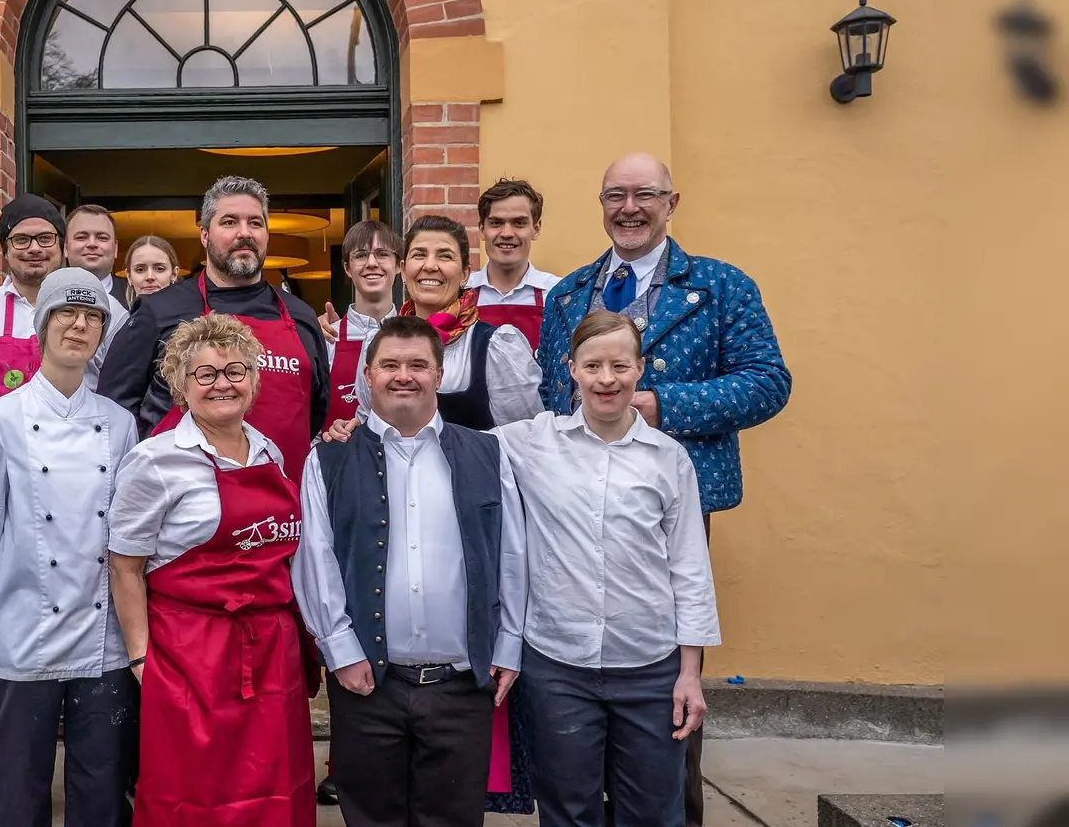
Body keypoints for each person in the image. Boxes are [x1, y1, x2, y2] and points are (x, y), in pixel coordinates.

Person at [536, 153, 790, 826]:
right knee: (573, 744)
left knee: (669, 700)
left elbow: (768, 382)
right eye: (615, 195)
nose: (629, 207)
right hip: (574, 500)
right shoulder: (567, 295)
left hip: (676, 498)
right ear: (600, 204)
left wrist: (659, 405)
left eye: (644, 194)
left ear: (671, 202)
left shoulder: (718, 286)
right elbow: (547, 397)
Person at [292, 316, 526, 827]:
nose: (405, 376)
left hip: (463, 684)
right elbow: (316, 557)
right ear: (368, 375)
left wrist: (507, 646)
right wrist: (341, 651)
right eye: (391, 365)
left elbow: (510, 553)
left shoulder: (488, 452)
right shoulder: (329, 457)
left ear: (439, 375)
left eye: (418, 364)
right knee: (372, 818)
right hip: (368, 681)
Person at [500, 310, 721, 827]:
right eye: (592, 365)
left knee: (652, 811)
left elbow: (690, 569)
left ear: (640, 369)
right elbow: (445, 441)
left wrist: (690, 673)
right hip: (558, 666)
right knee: (567, 809)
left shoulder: (669, 459)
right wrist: (355, 426)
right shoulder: (532, 442)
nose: (606, 379)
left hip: (649, 667)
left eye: (620, 365)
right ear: (570, 369)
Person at [106, 313, 319, 827]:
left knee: (277, 789)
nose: (222, 384)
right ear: (181, 384)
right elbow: (124, 567)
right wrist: (141, 658)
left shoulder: (269, 451)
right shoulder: (154, 461)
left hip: (272, 651)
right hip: (190, 655)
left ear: (253, 380)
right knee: (193, 793)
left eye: (235, 371)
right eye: (205, 374)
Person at [0, 268, 139, 827]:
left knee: (101, 802)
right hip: (19, 640)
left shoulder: (121, 424)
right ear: (42, 324)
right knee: (17, 801)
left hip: (102, 646)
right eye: (65, 314)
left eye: (92, 317)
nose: (78, 326)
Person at [98, 175, 330, 482]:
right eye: (230, 222)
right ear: (205, 235)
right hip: (185, 503)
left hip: (283, 507)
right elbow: (115, 412)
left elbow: (316, 413)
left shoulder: (301, 316)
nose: (244, 233)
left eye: (255, 223)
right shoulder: (159, 310)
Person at [350, 215, 544, 430]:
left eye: (445, 256)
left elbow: (524, 436)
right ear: (404, 270)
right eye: (419, 254)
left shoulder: (495, 346)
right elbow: (368, 419)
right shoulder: (376, 343)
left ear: (465, 274)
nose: (430, 265)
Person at [0, 195, 126, 395]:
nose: (35, 248)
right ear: (5, 251)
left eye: (45, 238)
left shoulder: (106, 311)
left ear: (62, 248)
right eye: (21, 240)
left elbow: (120, 393)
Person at [316, 220, 401, 432]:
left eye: (382, 254)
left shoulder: (415, 339)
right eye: (361, 255)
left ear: (399, 266)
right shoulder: (326, 338)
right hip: (338, 459)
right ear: (347, 268)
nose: (372, 263)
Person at [464, 179, 562, 348]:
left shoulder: (558, 294)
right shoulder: (461, 294)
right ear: (481, 229)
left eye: (519, 223)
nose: (507, 233)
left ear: (536, 229)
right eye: (496, 223)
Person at [65, 203, 130, 316]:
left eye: (102, 238)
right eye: (81, 237)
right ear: (65, 248)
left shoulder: (137, 296)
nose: (92, 244)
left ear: (115, 249)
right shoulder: (46, 295)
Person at [122, 234, 181, 309]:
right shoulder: (118, 318)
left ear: (174, 274)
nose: (150, 277)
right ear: (129, 276)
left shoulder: (191, 317)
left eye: (159, 269)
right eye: (140, 270)